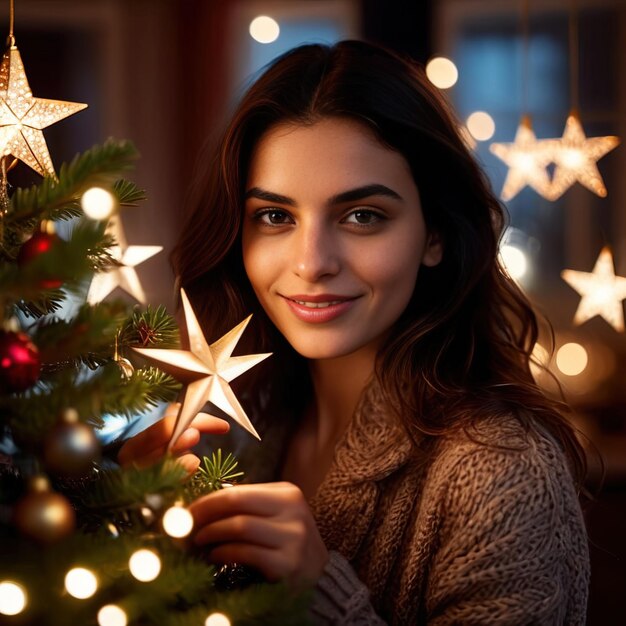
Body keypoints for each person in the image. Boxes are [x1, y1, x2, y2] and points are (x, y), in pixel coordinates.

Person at [119, 40, 590, 624]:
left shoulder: (502, 471)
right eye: (275, 217)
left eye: (362, 216)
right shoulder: (240, 430)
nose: (312, 262)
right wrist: (129, 527)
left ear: (435, 235)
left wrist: (321, 596)